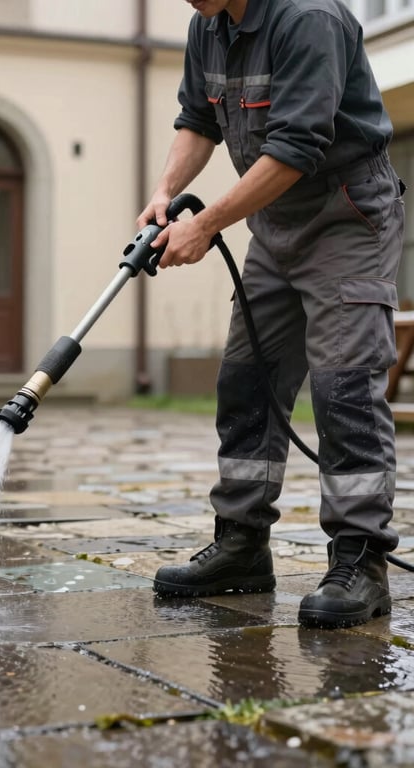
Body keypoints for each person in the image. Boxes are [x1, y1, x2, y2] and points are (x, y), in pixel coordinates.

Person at [138, 0, 406, 628]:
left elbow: (296, 147)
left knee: (343, 386)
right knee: (246, 379)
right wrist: (164, 194)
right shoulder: (209, 26)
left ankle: (360, 560)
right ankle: (241, 545)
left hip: (348, 216)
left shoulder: (308, 17)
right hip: (274, 225)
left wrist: (204, 225)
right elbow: (197, 119)